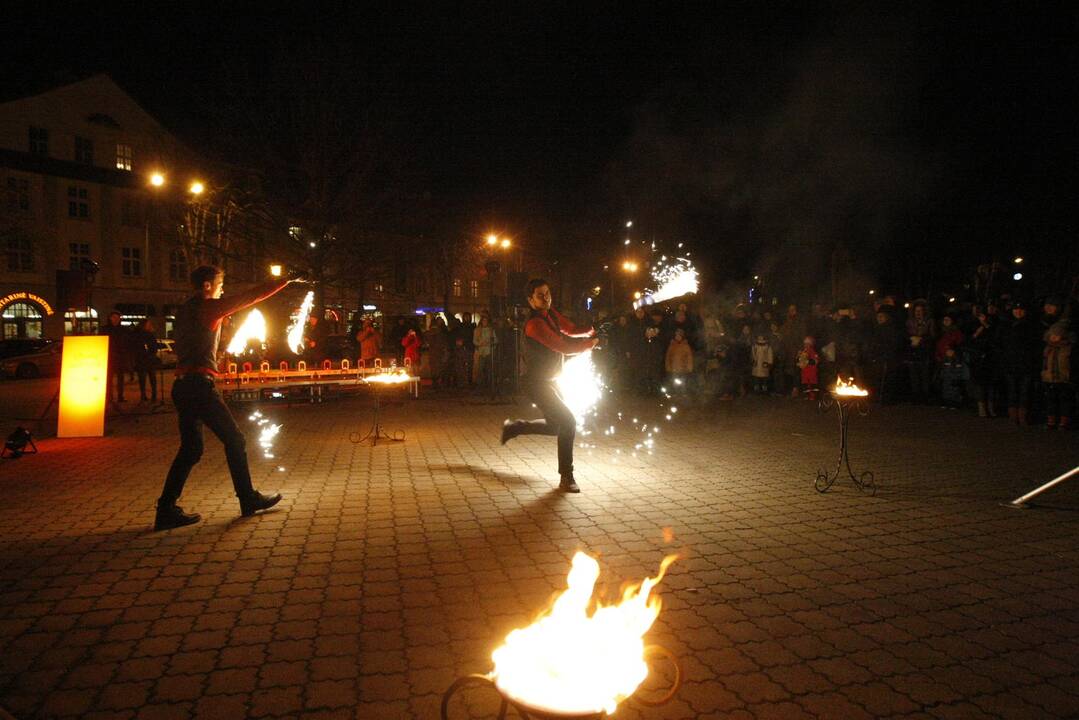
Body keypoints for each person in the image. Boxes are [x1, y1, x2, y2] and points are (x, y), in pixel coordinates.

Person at [154, 265, 303, 531]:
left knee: (191, 450)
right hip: (199, 387)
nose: (223, 289)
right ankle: (247, 499)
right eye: (220, 284)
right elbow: (250, 297)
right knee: (235, 439)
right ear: (207, 285)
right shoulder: (208, 307)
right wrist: (286, 280)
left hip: (183, 386)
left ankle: (165, 509)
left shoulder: (185, 310)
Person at [500, 278, 597, 492]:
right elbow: (562, 345)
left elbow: (570, 329)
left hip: (550, 381)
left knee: (556, 426)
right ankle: (566, 477)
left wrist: (591, 330)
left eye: (548, 293)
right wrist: (590, 344)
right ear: (530, 299)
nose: (546, 298)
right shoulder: (534, 324)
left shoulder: (551, 314)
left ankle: (515, 427)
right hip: (535, 383)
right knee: (568, 422)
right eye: (540, 295)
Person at [1041, 320, 1074, 430]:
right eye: (1053, 335)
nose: (1054, 337)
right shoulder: (1048, 348)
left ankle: (1064, 421)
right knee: (1051, 400)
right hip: (1049, 378)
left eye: (1057, 335)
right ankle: (1051, 420)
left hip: (1064, 378)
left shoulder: (1068, 348)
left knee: (1064, 400)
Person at [100, 311, 132, 405]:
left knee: (120, 378)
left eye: (117, 318)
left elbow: (128, 341)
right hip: (109, 357)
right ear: (110, 318)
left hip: (120, 357)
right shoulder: (105, 329)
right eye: (113, 317)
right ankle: (109, 397)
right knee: (108, 379)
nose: (116, 319)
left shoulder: (123, 329)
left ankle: (120, 396)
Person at [134, 318, 162, 403]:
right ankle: (144, 395)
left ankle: (153, 395)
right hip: (142, 359)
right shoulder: (138, 334)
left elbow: (154, 346)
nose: (150, 326)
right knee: (143, 378)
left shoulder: (150, 334)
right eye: (148, 324)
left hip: (149, 359)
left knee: (152, 377)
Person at [665, 327, 694, 395]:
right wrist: (668, 367)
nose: (678, 337)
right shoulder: (671, 345)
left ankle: (682, 394)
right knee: (675, 382)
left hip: (683, 369)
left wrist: (689, 368)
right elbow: (668, 357)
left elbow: (689, 358)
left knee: (683, 382)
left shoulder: (686, 346)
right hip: (674, 369)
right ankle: (675, 393)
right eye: (676, 335)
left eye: (679, 336)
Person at [798, 335, 820, 400]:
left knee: (812, 384)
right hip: (805, 371)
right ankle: (807, 396)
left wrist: (807, 361)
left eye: (807, 344)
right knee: (806, 384)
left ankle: (813, 396)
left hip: (811, 371)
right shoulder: (803, 351)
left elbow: (816, 361)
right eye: (805, 344)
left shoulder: (812, 351)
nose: (805, 345)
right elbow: (800, 359)